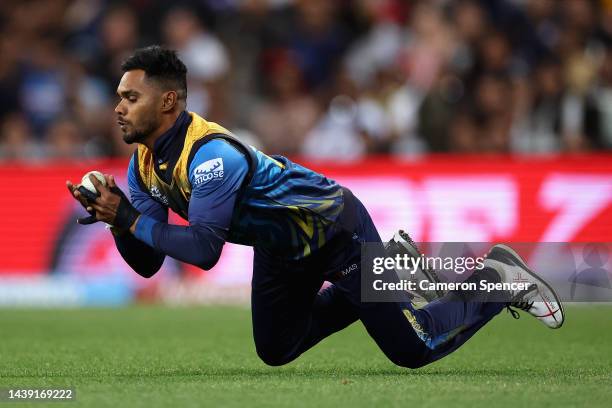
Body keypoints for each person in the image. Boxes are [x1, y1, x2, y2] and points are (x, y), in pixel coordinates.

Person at [66, 46, 564, 368]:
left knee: (415, 348)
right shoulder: (144, 165)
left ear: (169, 101)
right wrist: (116, 220)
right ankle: (388, 272)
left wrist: (128, 217)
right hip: (282, 246)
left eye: (131, 97)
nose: (119, 107)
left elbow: (203, 251)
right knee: (277, 349)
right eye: (119, 97)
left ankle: (496, 278)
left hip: (334, 230)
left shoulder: (210, 157)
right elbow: (149, 263)